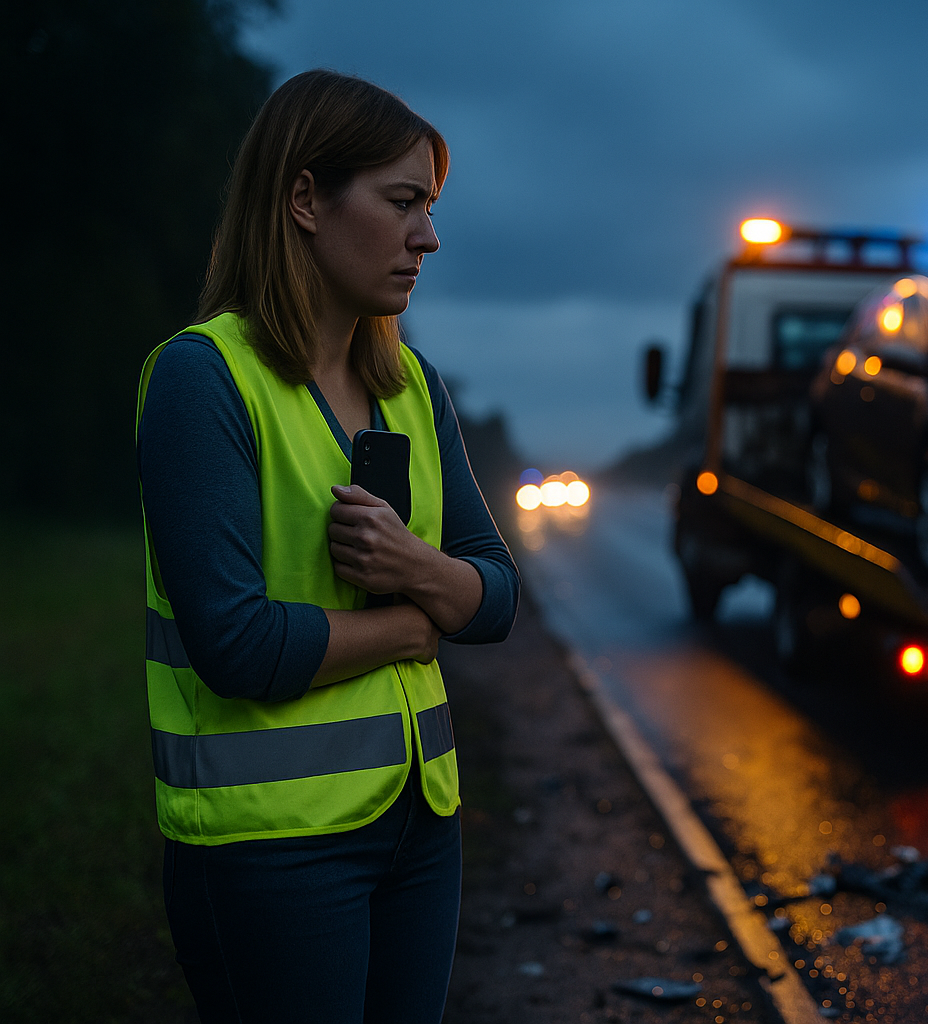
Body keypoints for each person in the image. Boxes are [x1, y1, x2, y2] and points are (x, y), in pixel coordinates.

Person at [135, 70, 518, 1023]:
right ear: (305, 199)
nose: (427, 236)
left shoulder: (411, 386)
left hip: (421, 828)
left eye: (428, 207)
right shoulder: (203, 381)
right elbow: (239, 646)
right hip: (271, 848)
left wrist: (416, 571)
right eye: (402, 204)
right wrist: (413, 625)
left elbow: (499, 594)